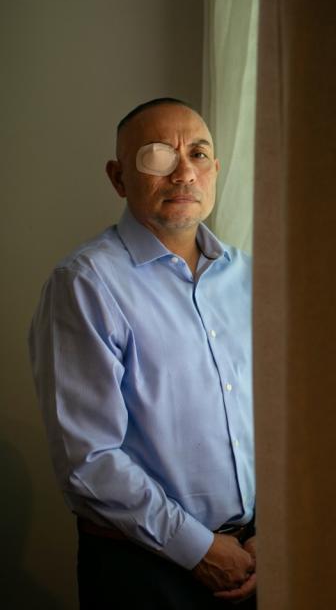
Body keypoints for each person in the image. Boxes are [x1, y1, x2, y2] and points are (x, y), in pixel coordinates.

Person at [29, 98, 256, 608]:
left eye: (198, 154)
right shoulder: (85, 284)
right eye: (157, 156)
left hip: (258, 554)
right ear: (117, 177)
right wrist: (199, 550)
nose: (183, 172)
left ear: (215, 171)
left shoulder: (252, 277)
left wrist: (276, 531)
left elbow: (287, 416)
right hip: (144, 569)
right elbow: (89, 460)